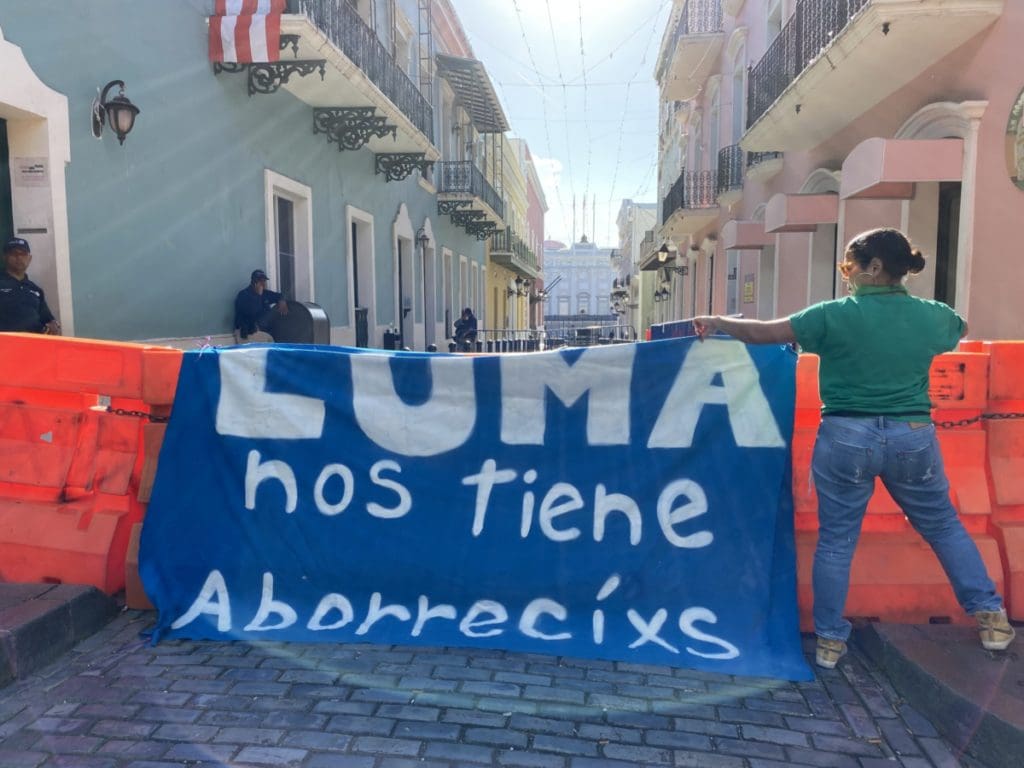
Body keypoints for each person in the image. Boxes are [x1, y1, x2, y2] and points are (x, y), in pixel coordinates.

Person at [693, 227, 1014, 669]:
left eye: (849, 265)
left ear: (873, 268)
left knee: (837, 541)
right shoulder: (932, 315)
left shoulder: (833, 315)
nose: (845, 274)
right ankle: (991, 618)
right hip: (912, 435)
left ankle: (829, 641)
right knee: (942, 526)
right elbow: (960, 328)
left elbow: (766, 333)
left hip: (845, 435)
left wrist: (718, 322)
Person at [0, 237, 61, 335]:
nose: (19, 257)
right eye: (14, 253)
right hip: (5, 341)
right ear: (5, 257)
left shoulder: (35, 290)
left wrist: (53, 325)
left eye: (23, 254)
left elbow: (49, 320)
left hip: (33, 341)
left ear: (29, 258)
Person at [234, 269, 287, 341]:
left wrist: (282, 300)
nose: (264, 284)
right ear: (254, 282)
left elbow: (278, 295)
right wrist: (258, 296)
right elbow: (252, 312)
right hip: (247, 332)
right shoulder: (243, 295)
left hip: (262, 330)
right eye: (261, 281)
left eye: (264, 281)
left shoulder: (265, 293)